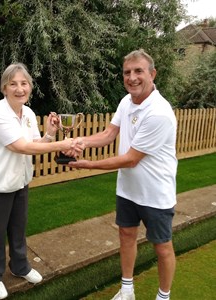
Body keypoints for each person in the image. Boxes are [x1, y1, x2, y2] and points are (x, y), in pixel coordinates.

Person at [68, 49, 177, 300]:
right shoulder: (126, 101)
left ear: (152, 74)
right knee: (126, 235)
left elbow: (130, 159)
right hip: (128, 189)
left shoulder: (159, 112)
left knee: (162, 247)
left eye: (139, 71)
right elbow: (108, 134)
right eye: (127, 72)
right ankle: (127, 290)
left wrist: (90, 166)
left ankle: (163, 297)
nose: (132, 77)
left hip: (155, 193)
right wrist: (79, 141)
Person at [0, 63, 83, 300]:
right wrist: (63, 144)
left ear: (30, 87)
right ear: (4, 88)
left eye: (24, 83)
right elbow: (20, 147)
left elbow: (36, 146)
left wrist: (51, 135)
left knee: (18, 228)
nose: (19, 88)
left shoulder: (29, 114)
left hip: (19, 182)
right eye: (13, 83)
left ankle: (20, 267)